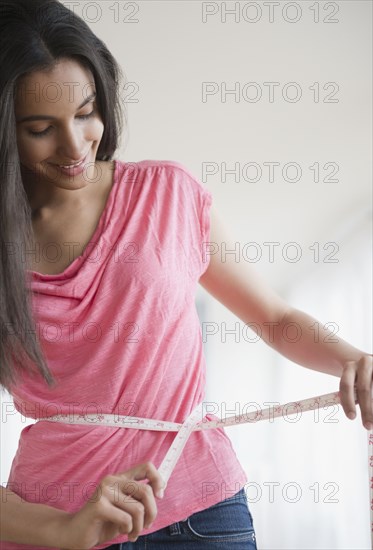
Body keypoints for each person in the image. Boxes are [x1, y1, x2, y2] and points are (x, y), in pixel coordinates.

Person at [0, 1, 371, 549]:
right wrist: (62, 530)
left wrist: (355, 361)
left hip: (202, 512)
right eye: (39, 128)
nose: (76, 146)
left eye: (87, 112)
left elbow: (274, 316)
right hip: (49, 520)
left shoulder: (167, 195)